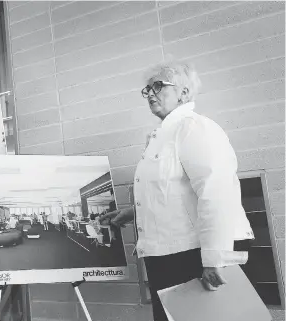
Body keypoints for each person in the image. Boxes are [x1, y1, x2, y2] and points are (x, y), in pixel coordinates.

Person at [100, 61, 254, 321]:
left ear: (184, 92)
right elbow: (171, 193)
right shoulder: (163, 135)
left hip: (195, 254)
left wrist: (216, 258)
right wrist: (132, 213)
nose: (150, 93)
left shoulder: (194, 128)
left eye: (158, 86)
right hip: (169, 255)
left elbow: (217, 194)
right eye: (147, 89)